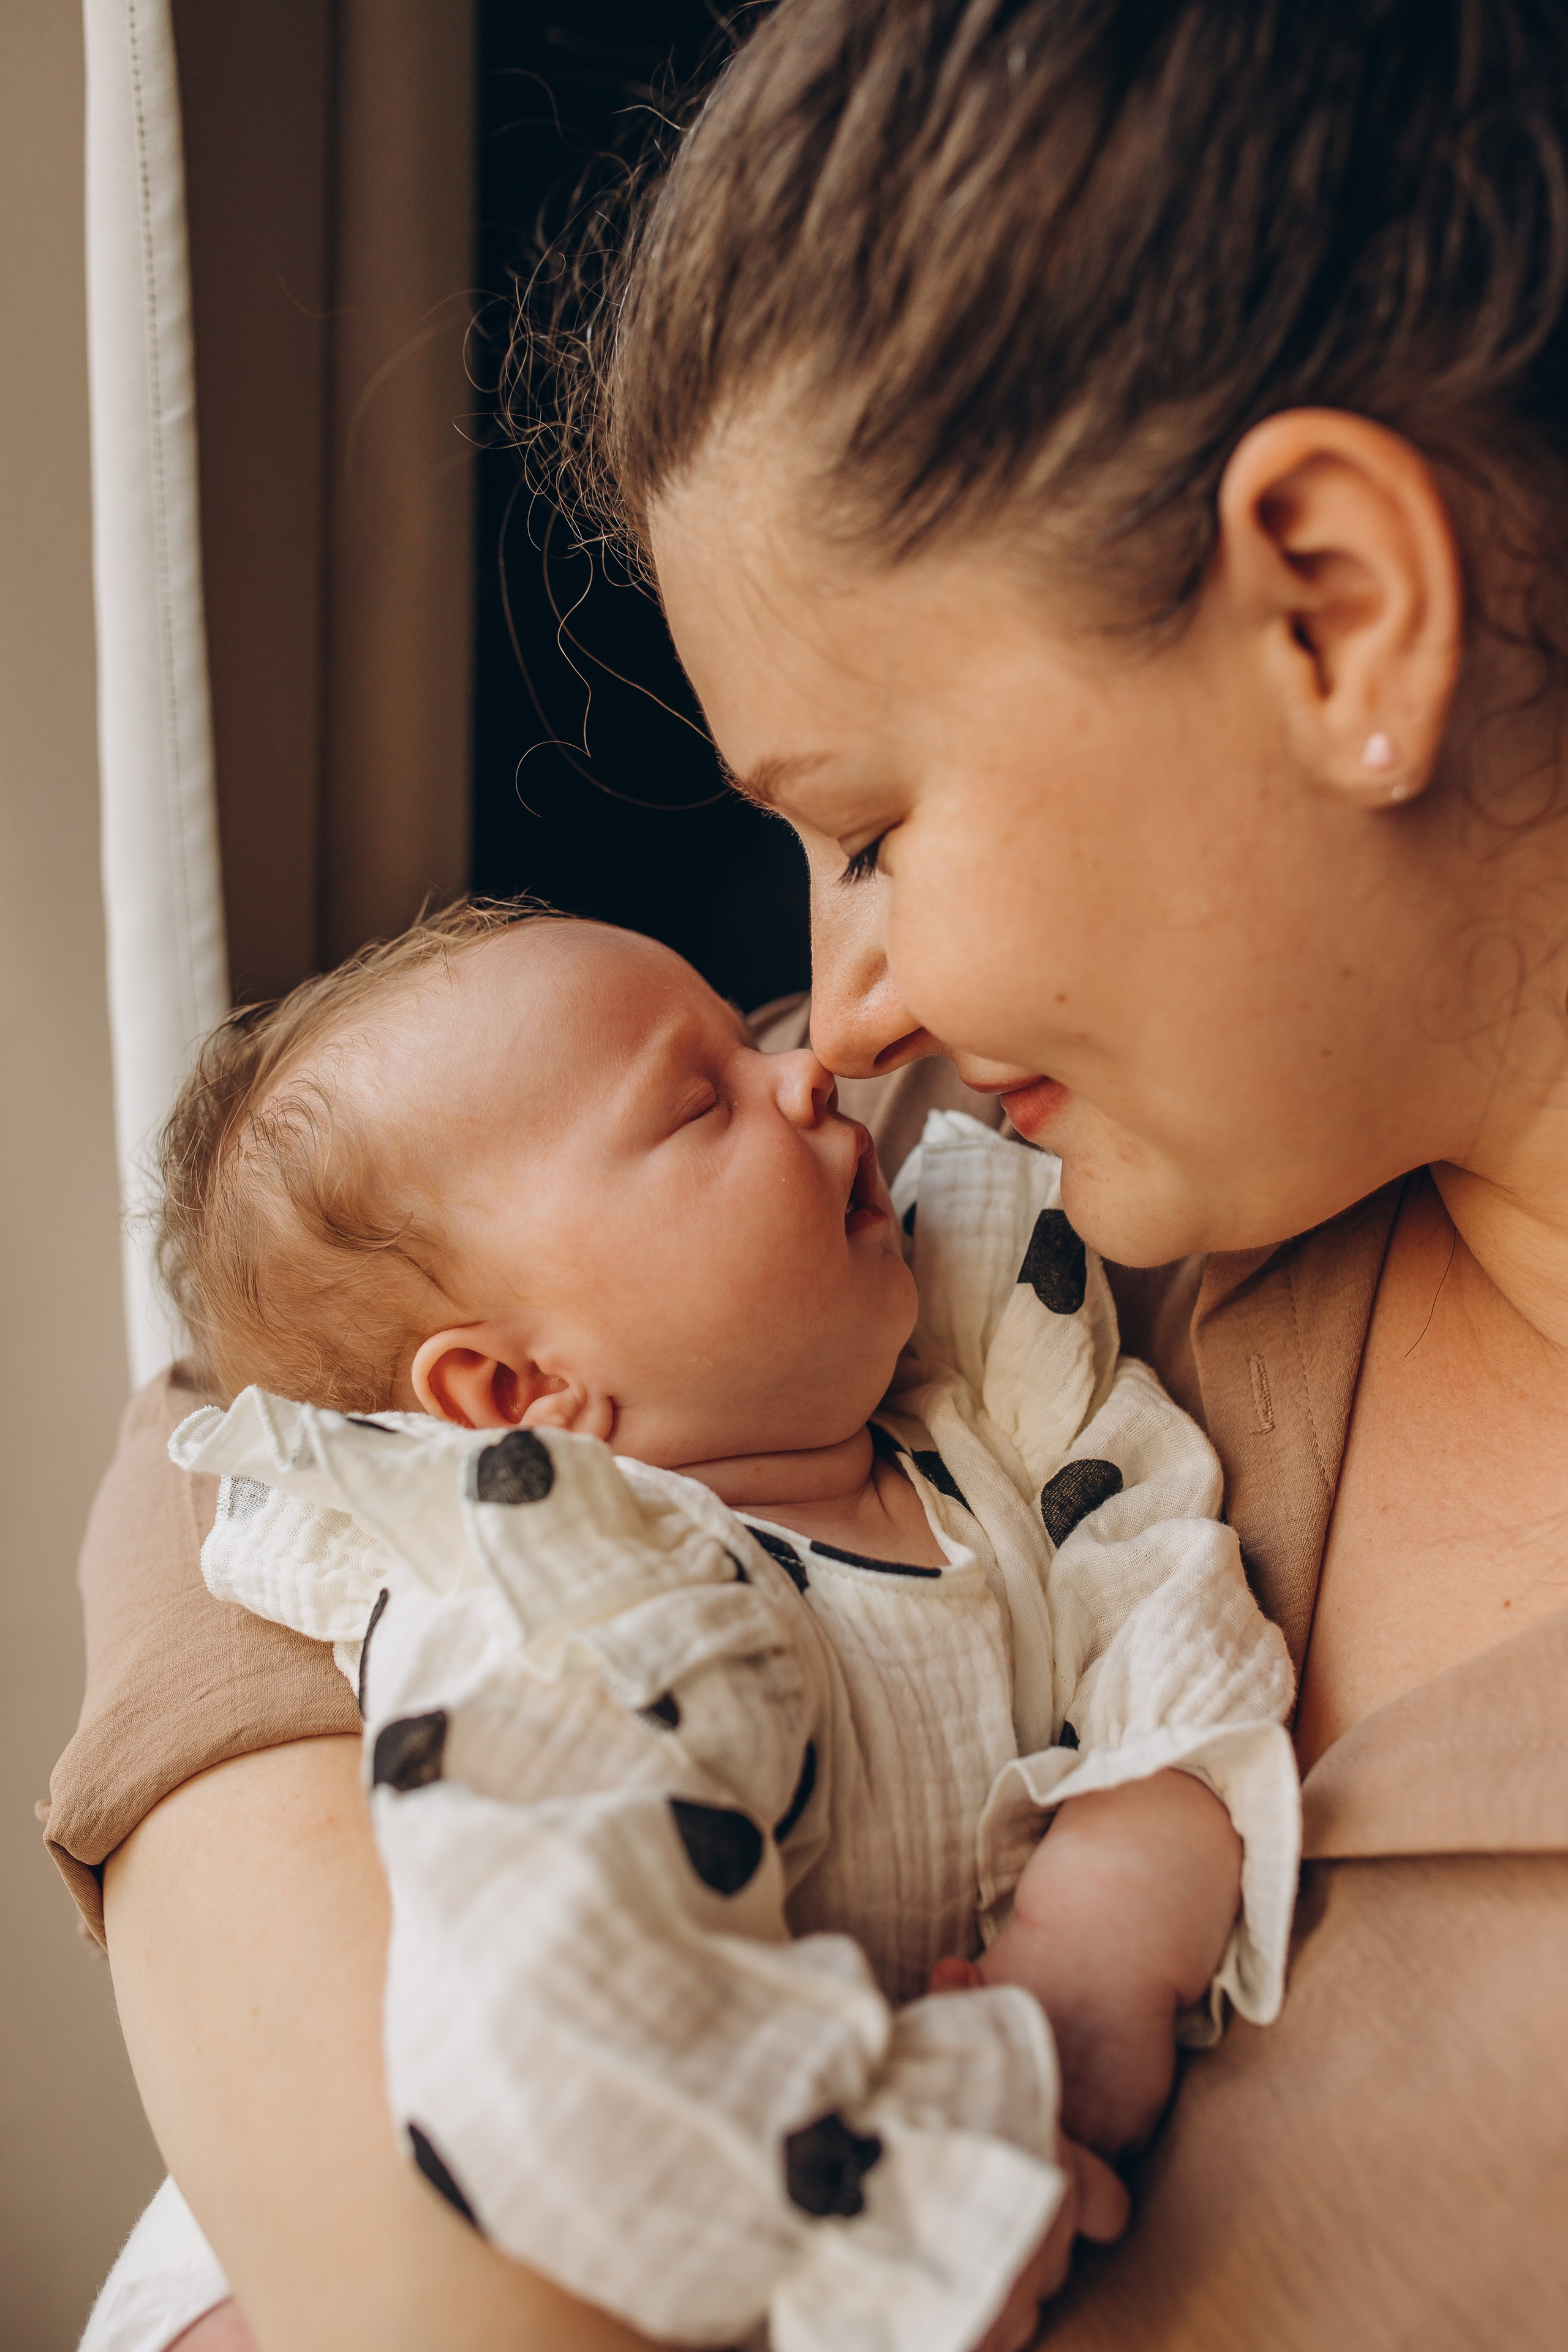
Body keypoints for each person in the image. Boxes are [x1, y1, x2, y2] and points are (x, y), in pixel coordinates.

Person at [47, 0, 1568, 2345]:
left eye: (868, 831)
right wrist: (432, 2293)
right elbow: (242, 1429)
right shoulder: (1004, 1156)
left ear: (1337, 615)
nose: (836, 1020)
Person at [123, 899, 1289, 2351]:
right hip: (349, 2266)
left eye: (742, 1046)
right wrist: (917, 2196)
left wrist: (1119, 1899)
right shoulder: (555, 1608)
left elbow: (1166, 1587)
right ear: (518, 1396)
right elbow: (558, 2023)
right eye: (698, 1104)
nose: (804, 1076)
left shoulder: (989, 1383)